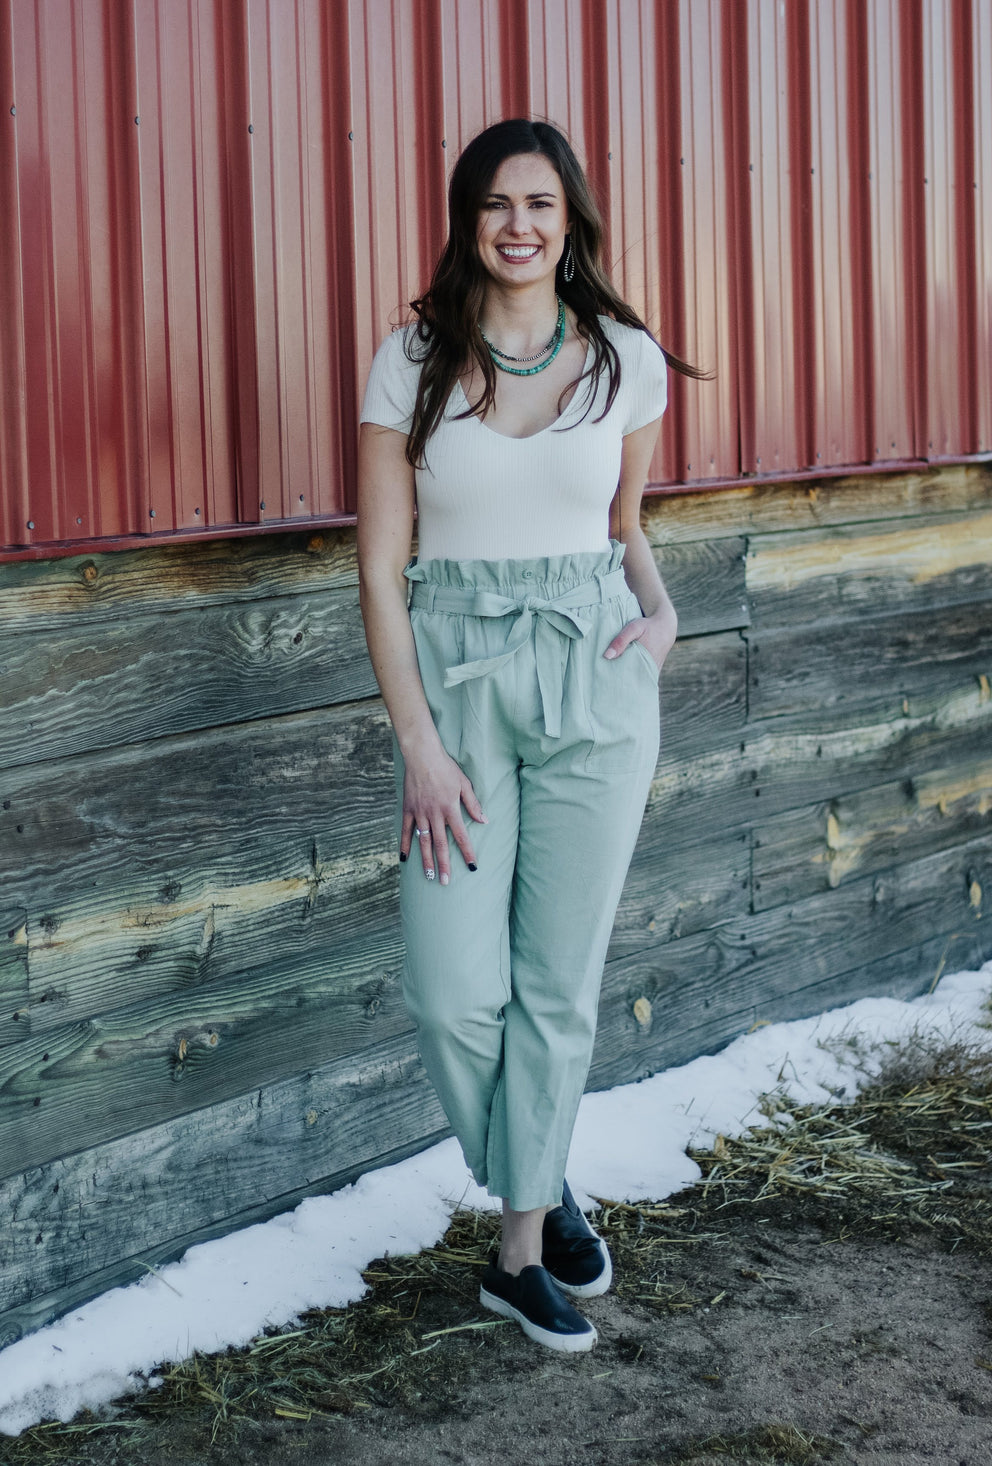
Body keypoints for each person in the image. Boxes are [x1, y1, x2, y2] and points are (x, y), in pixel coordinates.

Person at [356, 117, 701, 1353]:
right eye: (497, 203)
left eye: (541, 204)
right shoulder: (412, 362)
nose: (518, 224)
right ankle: (540, 1176)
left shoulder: (624, 359)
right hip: (454, 683)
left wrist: (661, 614)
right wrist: (418, 743)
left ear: (570, 222)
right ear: (469, 219)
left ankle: (516, 1246)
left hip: (594, 678)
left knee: (556, 981)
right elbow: (381, 572)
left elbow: (624, 524)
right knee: (452, 986)